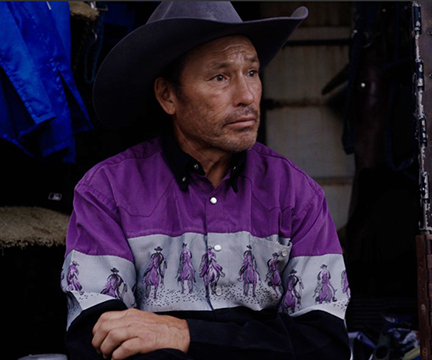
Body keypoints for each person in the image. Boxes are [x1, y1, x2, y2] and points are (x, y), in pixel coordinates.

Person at [61, 2, 351, 360]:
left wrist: (185, 334)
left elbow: (325, 345)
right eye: (220, 77)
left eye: (253, 72)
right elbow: (98, 337)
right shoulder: (106, 191)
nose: (247, 96)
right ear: (168, 95)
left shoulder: (297, 193)